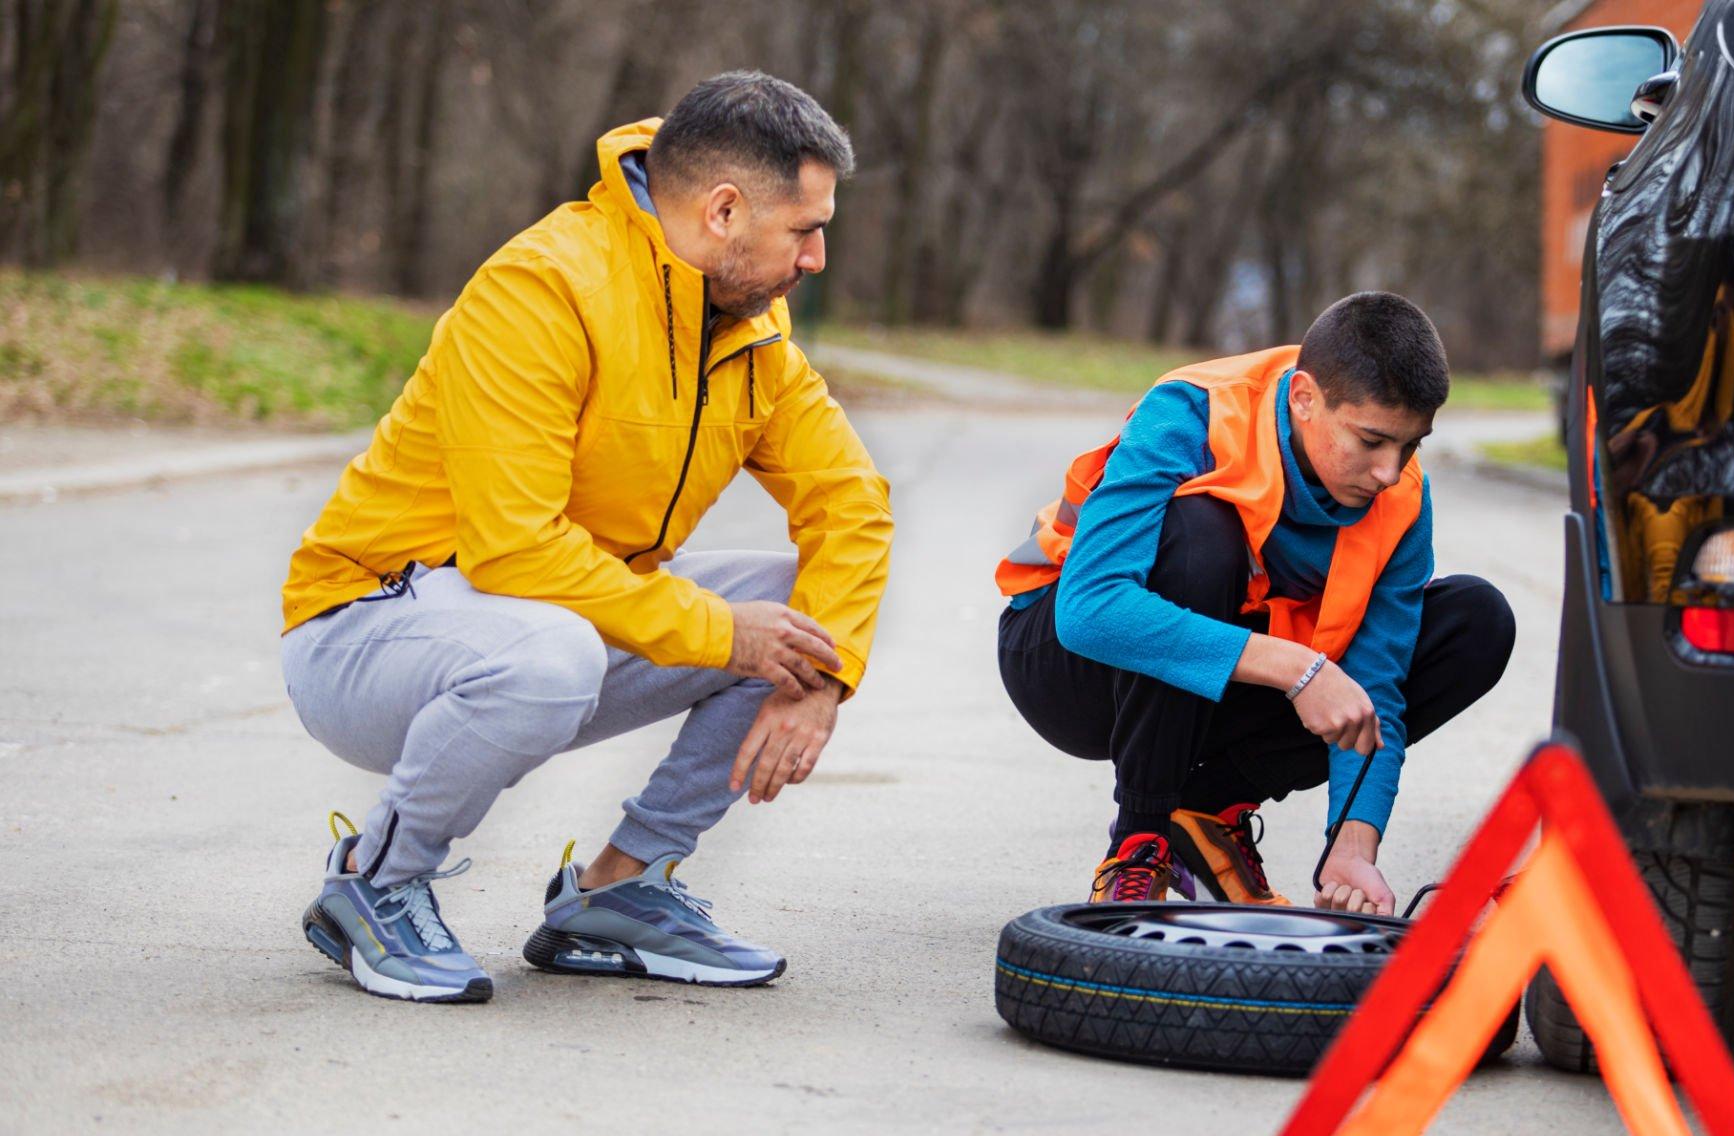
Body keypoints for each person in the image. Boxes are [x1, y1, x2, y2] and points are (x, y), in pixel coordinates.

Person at [279, 71, 891, 1003]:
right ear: (725, 210)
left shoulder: (751, 334)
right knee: (565, 649)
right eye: (805, 229)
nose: (815, 258)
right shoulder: (546, 287)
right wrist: (726, 634)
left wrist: (825, 675)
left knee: (801, 610)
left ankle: (622, 887)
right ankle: (377, 879)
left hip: (541, 626)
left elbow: (852, 504)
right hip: (366, 632)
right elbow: (513, 550)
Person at [994, 293, 1512, 913]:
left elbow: (1378, 690)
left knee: (1478, 621)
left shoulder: (1400, 495)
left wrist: (1353, 845)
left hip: (1217, 688)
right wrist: (1299, 671)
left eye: (1409, 445)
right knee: (1202, 534)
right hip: (1065, 665)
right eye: (1371, 440)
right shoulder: (1192, 411)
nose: (1387, 471)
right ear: (1304, 399)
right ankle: (1140, 840)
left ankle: (1210, 803)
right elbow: (1092, 610)